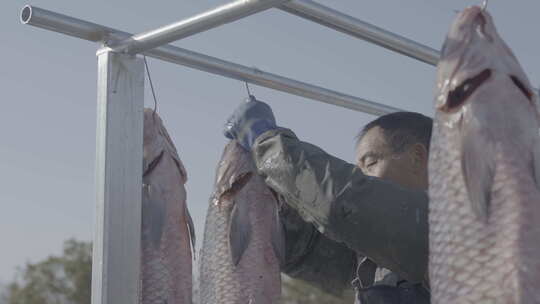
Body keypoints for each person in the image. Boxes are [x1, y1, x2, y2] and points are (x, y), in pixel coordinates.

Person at [224, 96, 432, 304]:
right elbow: (307, 250)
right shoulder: (375, 259)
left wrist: (269, 147)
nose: (363, 177)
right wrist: (270, 205)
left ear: (416, 157)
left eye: (370, 162)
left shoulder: (447, 223)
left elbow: (345, 202)